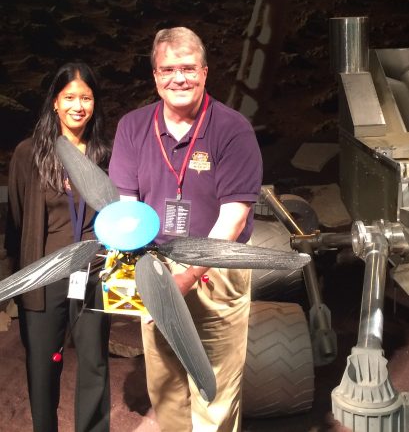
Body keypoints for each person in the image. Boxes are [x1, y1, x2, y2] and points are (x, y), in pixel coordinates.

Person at [109, 26, 262, 431]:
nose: (180, 78)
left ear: (206, 73)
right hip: (156, 267)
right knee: (165, 384)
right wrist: (139, 271)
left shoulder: (232, 130)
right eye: (169, 69)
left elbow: (234, 216)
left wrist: (190, 274)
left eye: (189, 68)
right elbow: (127, 207)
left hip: (216, 269)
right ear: (156, 77)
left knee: (214, 389)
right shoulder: (132, 127)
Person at [5, 62, 112, 432]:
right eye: (69, 97)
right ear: (54, 102)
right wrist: (9, 286)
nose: (77, 106)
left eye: (86, 97)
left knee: (95, 363)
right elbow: (15, 227)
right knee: (43, 366)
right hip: (44, 277)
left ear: (95, 103)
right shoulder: (28, 154)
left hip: (93, 274)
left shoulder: (104, 155)